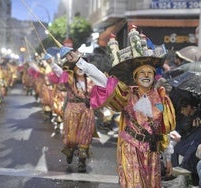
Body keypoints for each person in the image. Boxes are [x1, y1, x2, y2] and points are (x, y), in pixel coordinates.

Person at [59, 32, 176, 186]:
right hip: (131, 148)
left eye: (149, 73)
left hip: (152, 152)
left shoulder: (161, 98)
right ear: (135, 77)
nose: (146, 76)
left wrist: (167, 157)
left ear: (154, 76)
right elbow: (103, 80)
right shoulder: (126, 93)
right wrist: (81, 63)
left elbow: (162, 129)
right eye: (142, 73)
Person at [44, 52, 96, 173]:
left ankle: (82, 161)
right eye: (78, 65)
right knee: (71, 137)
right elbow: (59, 72)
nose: (81, 68)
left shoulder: (91, 81)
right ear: (74, 67)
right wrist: (52, 63)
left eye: (83, 65)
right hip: (72, 109)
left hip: (87, 111)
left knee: (85, 135)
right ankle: (70, 151)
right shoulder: (69, 78)